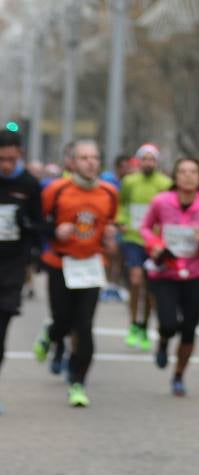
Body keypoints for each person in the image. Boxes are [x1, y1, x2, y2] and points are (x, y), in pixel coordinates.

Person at [34, 140, 119, 407]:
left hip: (91, 266)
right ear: (72, 162)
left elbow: (109, 223)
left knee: (84, 326)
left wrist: (109, 238)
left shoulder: (108, 192)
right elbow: (37, 222)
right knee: (63, 321)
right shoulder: (57, 190)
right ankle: (51, 334)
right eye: (83, 157)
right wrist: (54, 232)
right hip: (61, 264)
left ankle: (78, 382)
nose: (90, 162)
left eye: (94, 157)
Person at [140, 157, 199, 396]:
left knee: (189, 329)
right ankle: (163, 341)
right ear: (175, 177)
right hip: (166, 272)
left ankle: (178, 375)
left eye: (193, 172)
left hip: (195, 274)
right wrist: (154, 243)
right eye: (182, 171)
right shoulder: (161, 202)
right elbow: (145, 227)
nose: (188, 176)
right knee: (168, 323)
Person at [0, 130, 43, 413]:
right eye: (1, 159)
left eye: (11, 159)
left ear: (20, 156)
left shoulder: (29, 184)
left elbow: (39, 225)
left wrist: (29, 227)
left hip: (13, 267)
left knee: (1, 329)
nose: (5, 165)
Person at [117, 143, 172, 349]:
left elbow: (170, 209)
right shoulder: (130, 181)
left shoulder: (165, 183)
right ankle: (133, 324)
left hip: (155, 241)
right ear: (138, 161)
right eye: (145, 159)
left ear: (157, 162)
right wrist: (121, 219)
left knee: (150, 288)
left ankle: (145, 325)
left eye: (152, 159)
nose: (148, 163)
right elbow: (121, 203)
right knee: (136, 280)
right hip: (133, 237)